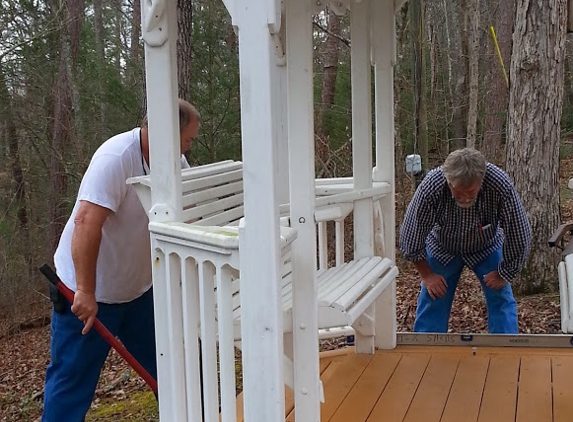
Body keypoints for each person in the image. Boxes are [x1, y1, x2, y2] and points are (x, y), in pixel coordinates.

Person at [41, 99, 201, 422]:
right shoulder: (116, 159)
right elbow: (86, 223)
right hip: (86, 295)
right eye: (187, 138)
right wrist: (85, 291)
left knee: (173, 371)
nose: (188, 146)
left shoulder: (176, 165)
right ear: (164, 133)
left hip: (139, 293)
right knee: (71, 384)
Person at [399, 147, 532, 334]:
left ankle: (505, 350)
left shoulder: (499, 184)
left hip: (487, 245)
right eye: (458, 192)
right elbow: (410, 235)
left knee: (501, 297)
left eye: (470, 191)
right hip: (442, 246)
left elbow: (519, 232)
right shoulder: (431, 186)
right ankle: (428, 349)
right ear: (448, 181)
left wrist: (505, 273)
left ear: (481, 180)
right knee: (433, 295)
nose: (464, 197)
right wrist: (427, 275)